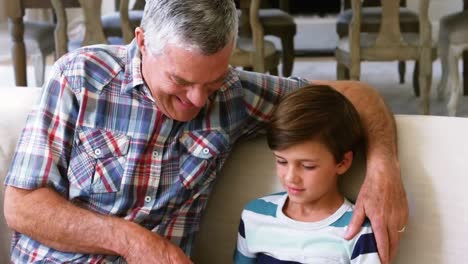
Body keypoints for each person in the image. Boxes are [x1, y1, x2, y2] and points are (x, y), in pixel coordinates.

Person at [3, 0, 407, 263]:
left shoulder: (234, 93)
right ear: (143, 43)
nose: (197, 100)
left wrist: (382, 167)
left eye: (211, 82)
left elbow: (357, 95)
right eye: (180, 81)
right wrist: (132, 240)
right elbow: (21, 206)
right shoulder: (81, 77)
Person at [234, 85, 380, 263]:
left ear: (343, 162)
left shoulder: (357, 230)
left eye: (307, 166)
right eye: (281, 161)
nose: (290, 177)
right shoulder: (255, 215)